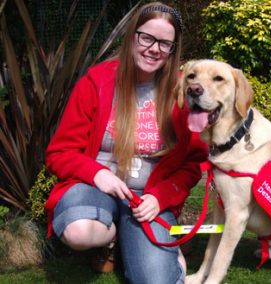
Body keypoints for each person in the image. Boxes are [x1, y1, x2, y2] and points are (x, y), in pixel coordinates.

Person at [44, 2, 207, 283]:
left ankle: (153, 245)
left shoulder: (182, 91)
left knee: (157, 280)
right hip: (94, 189)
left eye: (165, 43)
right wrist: (97, 174)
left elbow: (194, 163)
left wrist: (161, 197)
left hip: (147, 200)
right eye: (147, 37)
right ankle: (114, 237)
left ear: (173, 49)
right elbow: (60, 152)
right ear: (132, 35)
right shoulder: (97, 81)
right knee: (79, 231)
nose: (154, 48)